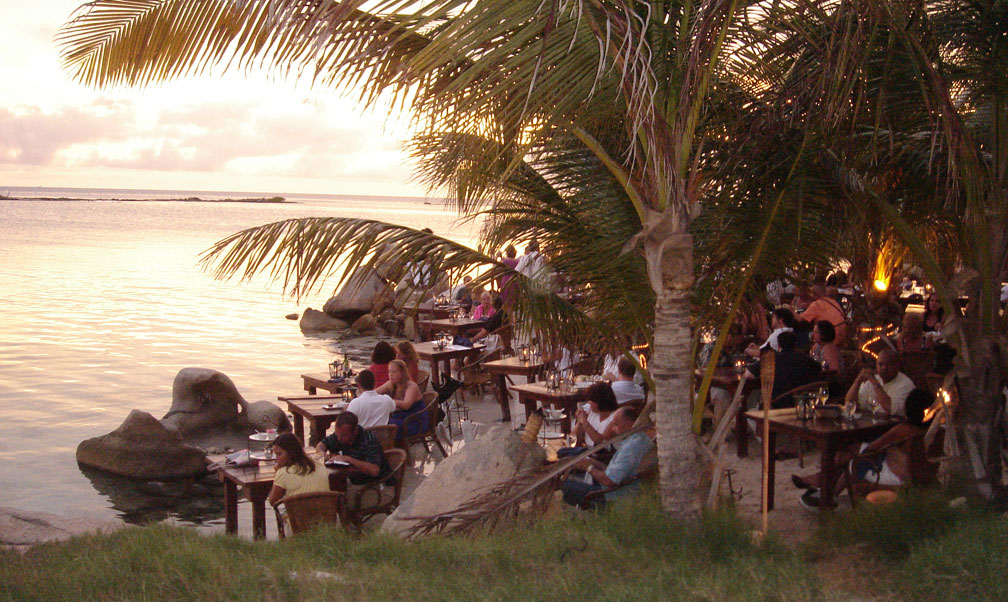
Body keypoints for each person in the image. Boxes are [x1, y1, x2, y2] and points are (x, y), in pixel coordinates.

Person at [793, 388, 934, 510]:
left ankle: (828, 494)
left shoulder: (902, 429)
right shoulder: (933, 430)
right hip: (918, 473)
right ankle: (825, 485)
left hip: (898, 478)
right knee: (856, 450)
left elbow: (874, 447)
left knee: (855, 458)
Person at [561, 407, 653, 508]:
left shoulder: (631, 448)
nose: (613, 428)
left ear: (627, 425)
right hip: (620, 487)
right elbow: (616, 472)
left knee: (565, 486)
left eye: (616, 424)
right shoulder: (640, 439)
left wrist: (588, 468)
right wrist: (594, 463)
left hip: (613, 496)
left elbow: (609, 481)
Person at [316, 411, 390, 510]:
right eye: (337, 434)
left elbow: (374, 470)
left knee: (335, 499)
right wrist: (322, 454)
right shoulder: (341, 436)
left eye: (343, 435)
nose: (339, 438)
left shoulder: (369, 441)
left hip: (371, 484)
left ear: (354, 431)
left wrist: (348, 459)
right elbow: (321, 445)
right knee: (324, 488)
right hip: (352, 479)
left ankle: (345, 518)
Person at [847, 348, 914, 417]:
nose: (884, 368)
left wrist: (875, 383)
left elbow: (891, 410)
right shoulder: (871, 380)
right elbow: (850, 403)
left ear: (897, 365)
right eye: (881, 364)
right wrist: (858, 381)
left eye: (889, 364)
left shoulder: (906, 384)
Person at [268, 432, 330, 507]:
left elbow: (273, 501)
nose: (276, 459)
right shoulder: (319, 465)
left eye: (279, 454)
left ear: (290, 453)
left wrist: (277, 473)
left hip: (299, 517)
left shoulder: (284, 472)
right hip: (325, 515)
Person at [377, 359, 426, 438]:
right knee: (378, 421)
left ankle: (390, 446)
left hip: (413, 420)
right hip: (399, 416)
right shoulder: (391, 383)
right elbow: (376, 392)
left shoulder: (411, 386)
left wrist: (389, 401)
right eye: (389, 372)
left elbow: (406, 405)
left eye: (394, 372)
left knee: (387, 426)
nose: (391, 375)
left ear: (402, 373)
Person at [572, 382, 620, 447]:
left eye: (590, 400)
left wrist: (585, 423)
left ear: (598, 402)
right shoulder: (592, 413)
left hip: (601, 454)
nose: (589, 403)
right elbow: (573, 436)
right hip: (587, 450)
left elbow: (600, 441)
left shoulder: (614, 418)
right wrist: (580, 421)